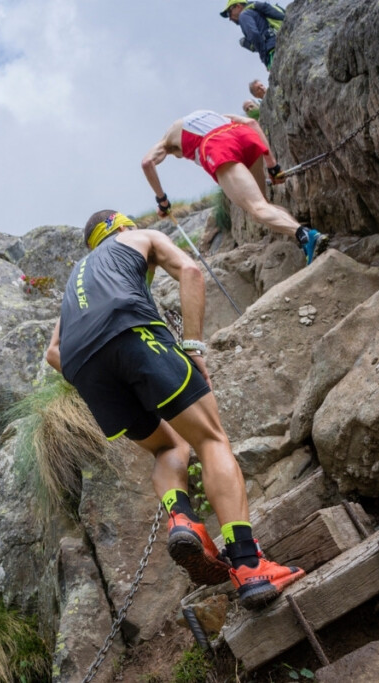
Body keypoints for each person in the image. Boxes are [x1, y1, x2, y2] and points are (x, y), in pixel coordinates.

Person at [45, 210, 306, 609]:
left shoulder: (75, 280)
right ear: (122, 226)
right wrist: (194, 347)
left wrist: (99, 377)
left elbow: (53, 353)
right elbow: (190, 272)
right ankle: (249, 565)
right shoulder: (139, 236)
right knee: (209, 438)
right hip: (133, 332)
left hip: (85, 368)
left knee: (168, 448)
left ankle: (183, 520)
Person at [142, 110, 328, 265]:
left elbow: (147, 162)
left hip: (217, 147)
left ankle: (306, 236)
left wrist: (163, 201)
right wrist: (272, 165)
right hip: (242, 134)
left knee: (256, 209)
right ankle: (305, 239)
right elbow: (251, 122)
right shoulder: (212, 115)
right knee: (264, 203)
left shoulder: (167, 139)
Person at [221, 1, 286, 70]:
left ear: (238, 6)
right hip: (283, 42)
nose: (230, 18)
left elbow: (254, 35)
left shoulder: (244, 15)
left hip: (272, 50)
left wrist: (264, 58)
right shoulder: (257, 11)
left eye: (229, 13)